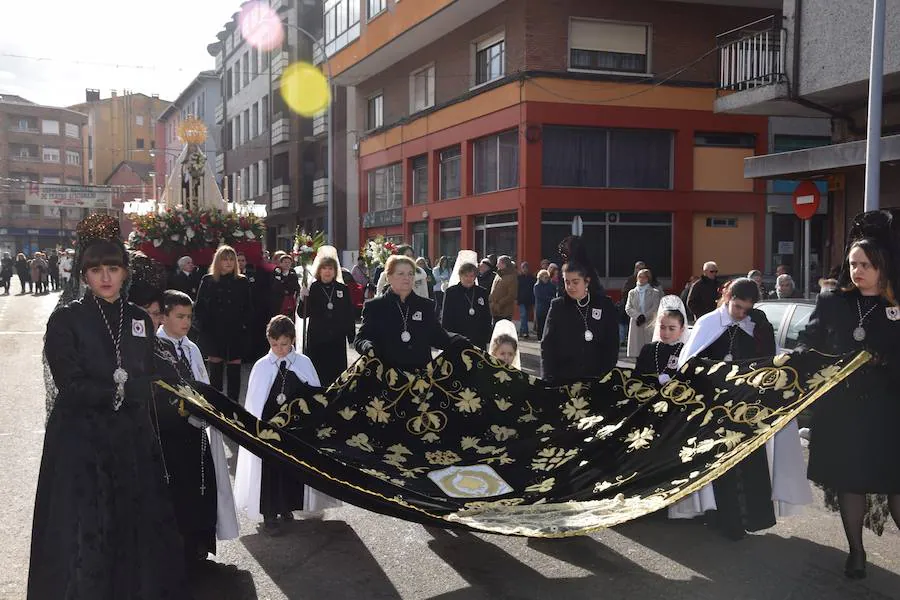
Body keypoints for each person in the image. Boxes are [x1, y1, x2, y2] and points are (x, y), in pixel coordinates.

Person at [28, 214, 187, 598]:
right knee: (87, 531)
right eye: (96, 269)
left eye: (113, 268)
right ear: (84, 275)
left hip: (131, 439)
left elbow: (151, 367)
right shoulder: (66, 320)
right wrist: (124, 389)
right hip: (81, 443)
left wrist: (185, 391)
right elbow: (70, 384)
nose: (105, 277)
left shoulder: (137, 318)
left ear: (125, 271)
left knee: (135, 526)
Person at [797, 210, 900, 579]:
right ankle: (856, 552)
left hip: (889, 412)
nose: (858, 271)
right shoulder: (832, 301)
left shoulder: (897, 306)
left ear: (883, 266)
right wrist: (792, 362)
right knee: (850, 483)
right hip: (842, 413)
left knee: (895, 485)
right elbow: (810, 344)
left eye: (867, 265)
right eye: (853, 264)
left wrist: (885, 361)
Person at [671, 278, 811, 539]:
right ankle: (725, 519)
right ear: (727, 297)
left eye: (746, 309)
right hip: (715, 408)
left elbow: (768, 361)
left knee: (749, 463)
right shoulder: (708, 323)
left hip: (748, 408)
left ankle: (752, 518)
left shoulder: (756, 325)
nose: (740, 314)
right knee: (719, 463)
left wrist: (760, 331)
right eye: (736, 307)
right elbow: (690, 363)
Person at [153, 290, 239, 562]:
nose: (186, 322)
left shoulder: (192, 348)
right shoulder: (154, 349)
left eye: (189, 316)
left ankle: (199, 542)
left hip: (197, 432)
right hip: (170, 434)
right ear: (163, 317)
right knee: (176, 490)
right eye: (179, 316)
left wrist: (207, 412)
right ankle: (176, 546)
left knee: (201, 486)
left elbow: (203, 384)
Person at [234, 315, 341, 534]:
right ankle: (270, 513)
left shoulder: (303, 363)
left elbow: (314, 395)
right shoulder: (262, 366)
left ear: (292, 339)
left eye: (284, 344)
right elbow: (255, 402)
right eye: (274, 345)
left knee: (291, 469)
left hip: (295, 430)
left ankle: (286, 506)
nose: (280, 349)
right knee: (270, 471)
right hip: (269, 429)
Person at [356, 255, 465, 372]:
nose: (406, 278)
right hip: (387, 375)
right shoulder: (375, 306)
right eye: (401, 274)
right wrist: (367, 346)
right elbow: (361, 339)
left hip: (420, 375)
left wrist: (459, 341)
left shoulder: (425, 305)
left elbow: (437, 336)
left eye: (410, 274)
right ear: (389, 277)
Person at [540, 241, 618, 382]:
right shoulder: (558, 306)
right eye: (567, 282)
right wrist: (548, 378)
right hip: (563, 380)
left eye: (575, 282)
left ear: (586, 282)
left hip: (595, 380)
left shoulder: (604, 305)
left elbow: (612, 345)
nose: (570, 287)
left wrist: (604, 377)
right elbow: (548, 345)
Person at [195, 244, 253, 403]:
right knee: (215, 370)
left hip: (235, 331)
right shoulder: (208, 280)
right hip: (214, 331)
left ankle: (234, 405)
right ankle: (215, 404)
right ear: (217, 261)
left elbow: (248, 308)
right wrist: (202, 326)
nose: (228, 263)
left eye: (231, 259)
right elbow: (198, 307)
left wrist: (244, 326)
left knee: (235, 369)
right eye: (224, 259)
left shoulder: (242, 281)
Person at [296, 246, 356, 388]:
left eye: (330, 269)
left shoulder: (342, 289)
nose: (327, 271)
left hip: (336, 340)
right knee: (317, 375)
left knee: (336, 376)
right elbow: (302, 314)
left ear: (335, 271)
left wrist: (351, 337)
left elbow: (348, 314)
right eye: (324, 268)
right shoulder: (313, 288)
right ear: (319, 270)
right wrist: (303, 299)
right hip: (317, 339)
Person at [441, 251, 493, 351]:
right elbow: (446, 318)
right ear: (460, 276)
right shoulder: (451, 292)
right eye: (466, 276)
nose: (469, 279)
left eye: (472, 276)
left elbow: (486, 316)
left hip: (478, 339)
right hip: (457, 339)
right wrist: (448, 338)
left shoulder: (481, 292)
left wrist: (487, 336)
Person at [635, 295, 689, 384]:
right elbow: (637, 376)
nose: (666, 333)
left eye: (672, 328)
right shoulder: (648, 349)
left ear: (681, 329)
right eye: (662, 327)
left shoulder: (685, 351)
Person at [625, 268, 662, 358]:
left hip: (648, 322)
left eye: (643, 277)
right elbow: (628, 307)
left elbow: (655, 307)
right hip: (636, 323)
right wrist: (638, 316)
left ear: (648, 278)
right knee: (636, 350)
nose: (641, 279)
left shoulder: (655, 292)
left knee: (648, 348)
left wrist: (644, 316)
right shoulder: (632, 293)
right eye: (639, 277)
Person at [489, 255, 518, 324]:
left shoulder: (511, 277)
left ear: (504, 264)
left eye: (498, 263)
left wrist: (499, 304)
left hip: (504, 312)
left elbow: (512, 295)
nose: (496, 265)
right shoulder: (498, 275)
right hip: (494, 310)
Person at [271, 251, 301, 318]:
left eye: (289, 262)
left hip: (290, 302)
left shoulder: (293, 274)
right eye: (285, 262)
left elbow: (295, 287)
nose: (287, 264)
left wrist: (284, 284)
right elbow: (276, 286)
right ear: (280, 263)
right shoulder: (276, 272)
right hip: (278, 302)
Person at [533, 268, 556, 340]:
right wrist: (550, 298)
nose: (546, 279)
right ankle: (540, 338)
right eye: (545, 277)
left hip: (549, 307)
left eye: (547, 277)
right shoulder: (537, 286)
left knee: (549, 324)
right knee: (540, 324)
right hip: (540, 308)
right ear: (540, 277)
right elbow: (540, 296)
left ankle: (547, 338)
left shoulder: (551, 285)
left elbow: (554, 294)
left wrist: (552, 298)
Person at [516, 261, 536, 338]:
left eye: (526, 268)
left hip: (529, 300)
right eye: (523, 268)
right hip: (521, 299)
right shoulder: (519, 278)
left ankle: (521, 331)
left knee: (525, 316)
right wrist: (516, 298)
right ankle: (525, 332)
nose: (525, 269)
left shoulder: (532, 278)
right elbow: (517, 289)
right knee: (523, 315)